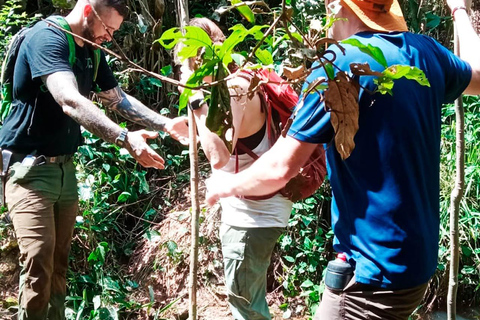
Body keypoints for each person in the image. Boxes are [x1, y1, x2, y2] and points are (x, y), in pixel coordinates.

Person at [205, 0, 480, 318]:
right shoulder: (425, 52)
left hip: (371, 278)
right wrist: (459, 11)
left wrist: (226, 183)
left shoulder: (338, 63)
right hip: (417, 266)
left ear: (336, 6)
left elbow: (280, 168)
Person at [0, 0, 189, 318]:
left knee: (58, 265)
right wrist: (124, 138)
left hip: (64, 170)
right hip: (28, 169)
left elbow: (117, 98)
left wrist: (165, 123)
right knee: (38, 263)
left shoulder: (91, 48)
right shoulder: (46, 39)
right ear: (89, 11)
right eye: (108, 28)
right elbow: (70, 100)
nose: (109, 37)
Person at [178, 17, 293, 320]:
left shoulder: (234, 88)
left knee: (245, 307)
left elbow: (217, 155)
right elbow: (226, 133)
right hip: (258, 213)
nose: (179, 70)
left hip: (252, 219)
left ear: (196, 58)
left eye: (182, 62)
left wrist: (193, 96)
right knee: (248, 300)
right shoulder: (241, 81)